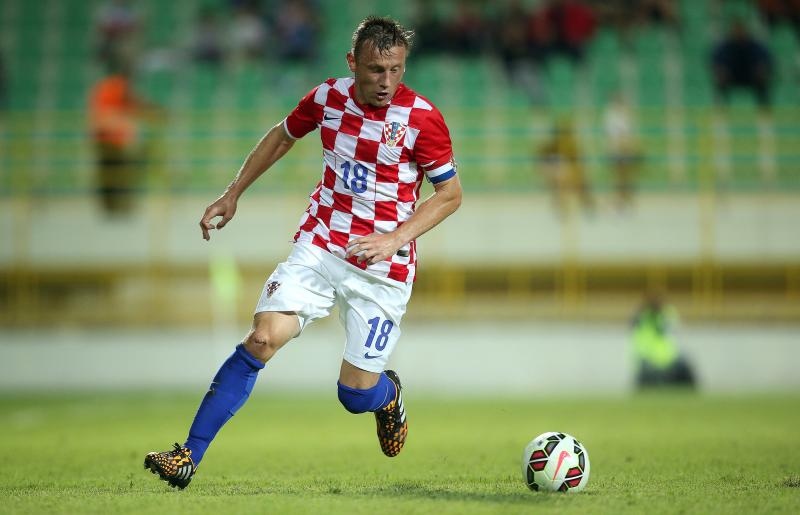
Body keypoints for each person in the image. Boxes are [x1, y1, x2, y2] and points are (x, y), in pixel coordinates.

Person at [143, 16, 462, 489]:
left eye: (396, 69)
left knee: (354, 395)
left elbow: (450, 195)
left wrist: (393, 239)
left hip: (383, 269)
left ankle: (388, 394)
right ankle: (188, 453)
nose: (386, 81)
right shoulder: (328, 98)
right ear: (352, 63)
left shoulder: (422, 118)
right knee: (262, 338)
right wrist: (233, 192)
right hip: (321, 245)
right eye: (376, 69)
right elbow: (282, 135)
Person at [88, 59, 162, 216]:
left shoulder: (105, 86)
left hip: (102, 137)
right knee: (121, 172)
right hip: (113, 138)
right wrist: (155, 112)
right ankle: (118, 207)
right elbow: (135, 104)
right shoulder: (118, 86)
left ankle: (110, 207)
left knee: (108, 173)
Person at [630, 292, 696, 389]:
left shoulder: (664, 315)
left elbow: (674, 323)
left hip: (667, 357)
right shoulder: (644, 318)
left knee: (685, 366)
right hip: (649, 358)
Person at [710, 21, 774, 109]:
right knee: (720, 82)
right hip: (731, 77)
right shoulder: (725, 46)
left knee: (762, 82)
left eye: (741, 30)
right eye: (736, 31)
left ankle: (764, 111)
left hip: (750, 76)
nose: (738, 33)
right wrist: (720, 70)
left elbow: (766, 59)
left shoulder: (754, 45)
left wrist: (762, 69)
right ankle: (720, 111)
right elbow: (715, 60)